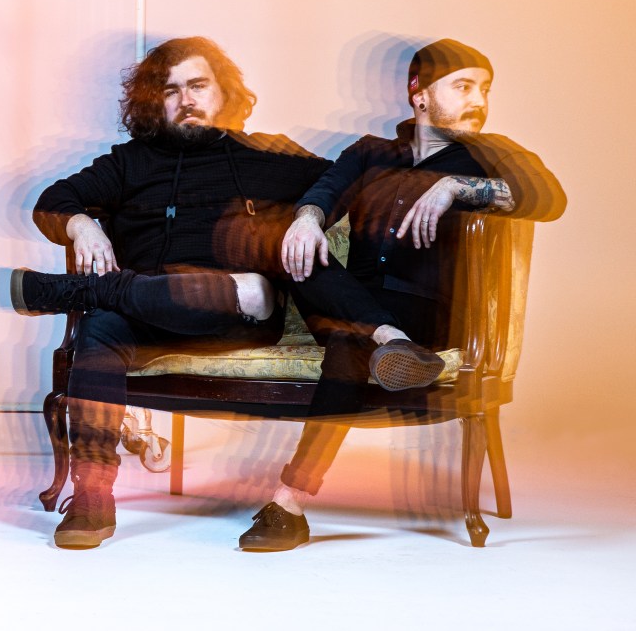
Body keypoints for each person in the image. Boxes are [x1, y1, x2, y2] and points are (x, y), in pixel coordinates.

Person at [238, 38, 566, 552]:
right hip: (353, 305)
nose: (479, 100)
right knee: (291, 249)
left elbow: (549, 198)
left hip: (425, 313)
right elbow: (325, 192)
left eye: (485, 89)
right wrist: (307, 219)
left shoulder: (490, 152)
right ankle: (389, 338)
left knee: (349, 342)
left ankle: (289, 503)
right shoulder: (371, 152)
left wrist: (456, 187)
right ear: (420, 94)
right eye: (464, 87)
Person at [13, 36, 329, 549]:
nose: (186, 100)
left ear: (223, 92)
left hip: (235, 314)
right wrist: (82, 226)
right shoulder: (131, 163)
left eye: (197, 86)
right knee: (102, 326)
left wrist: (310, 215)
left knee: (130, 302)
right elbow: (55, 199)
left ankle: (84, 291)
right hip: (148, 318)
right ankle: (93, 495)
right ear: (153, 102)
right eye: (170, 90)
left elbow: (344, 183)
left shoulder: (264, 154)